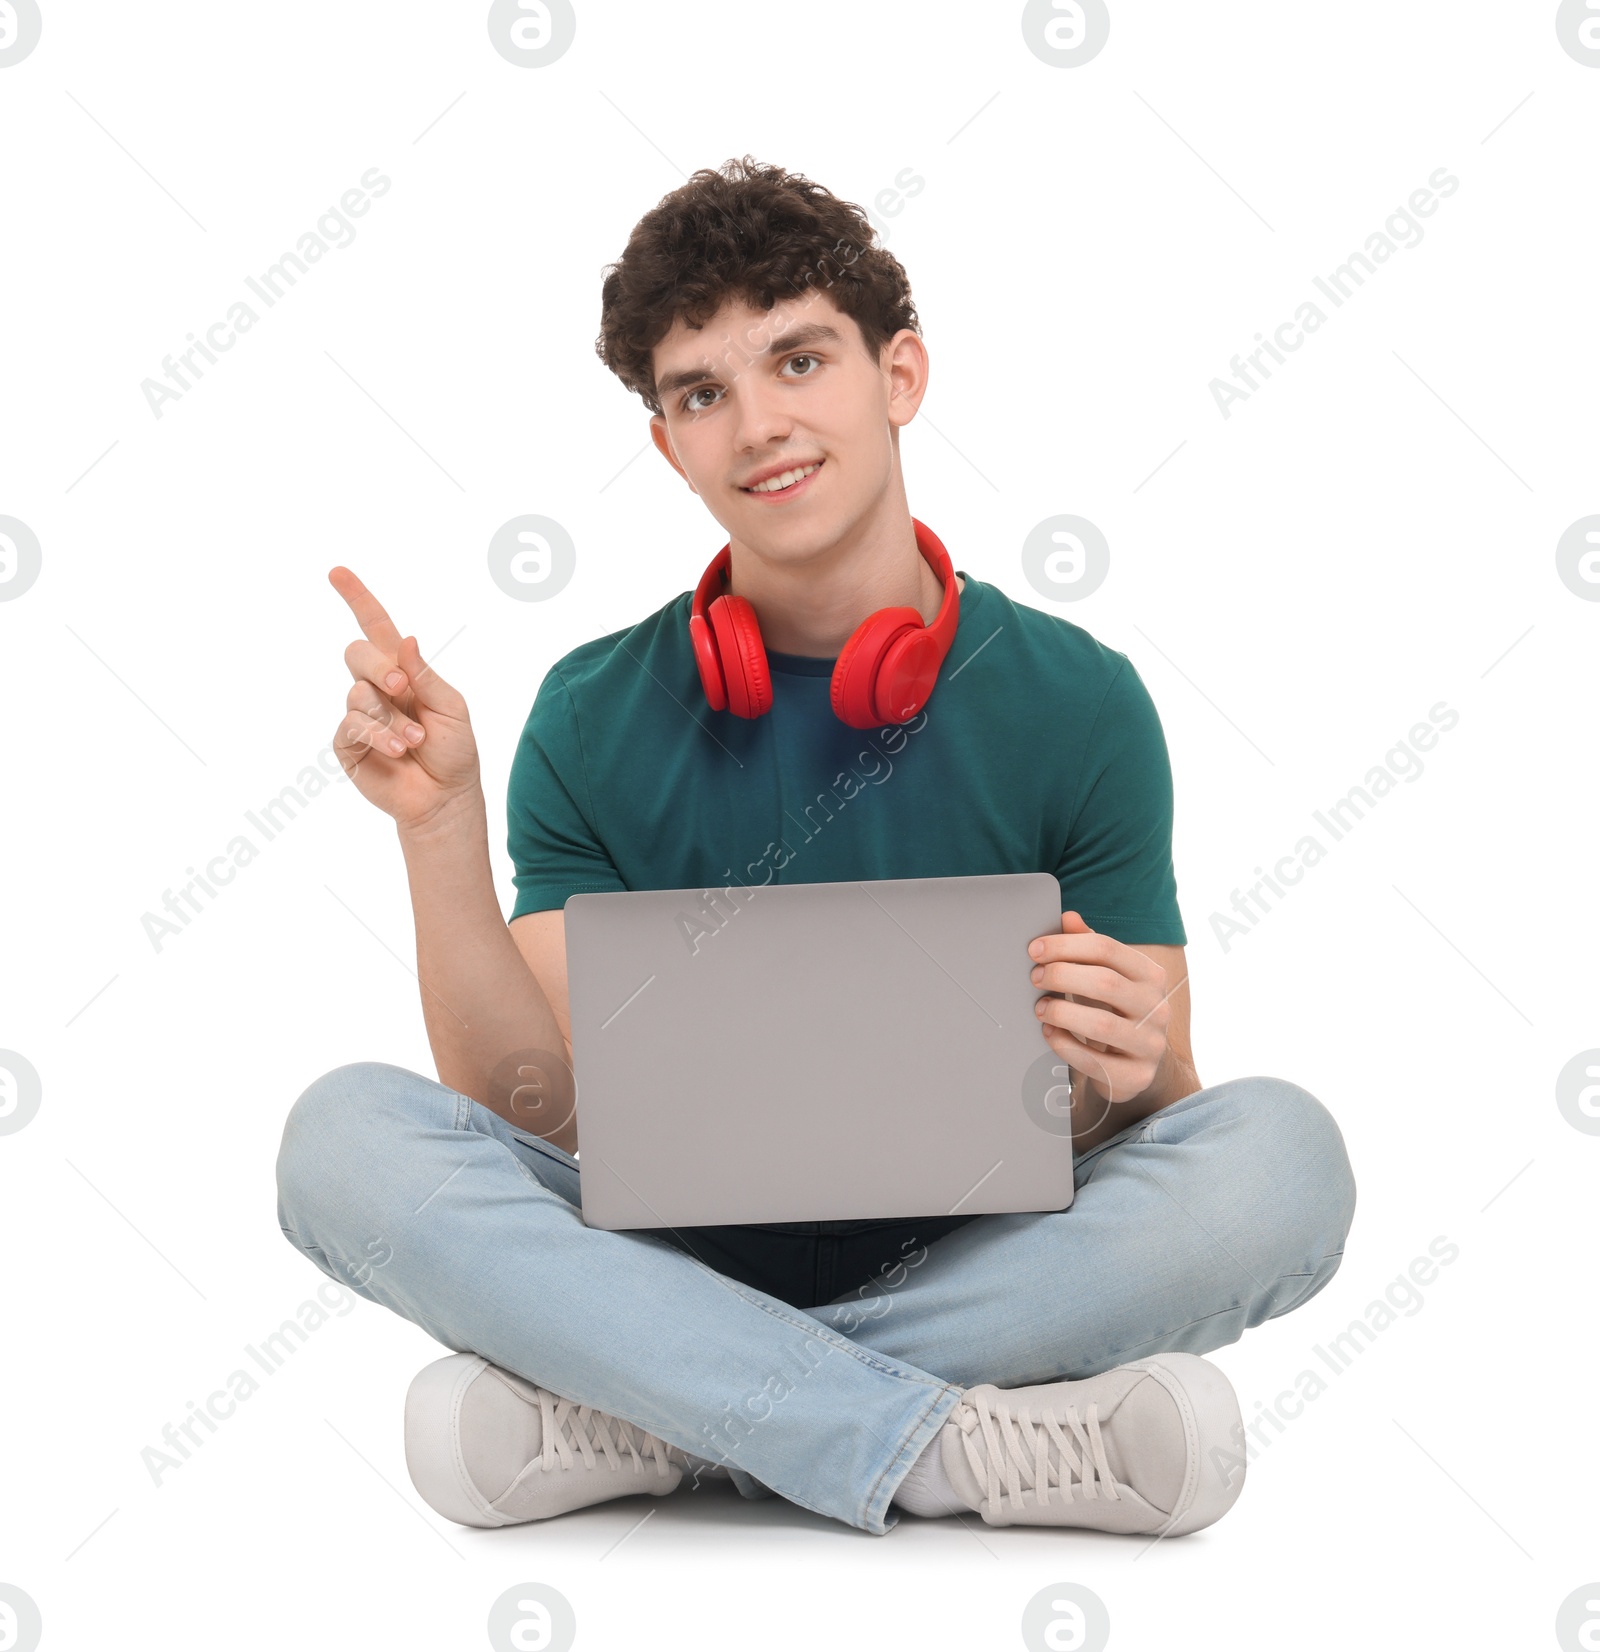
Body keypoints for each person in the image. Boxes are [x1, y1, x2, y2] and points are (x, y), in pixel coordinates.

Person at [275, 156, 1356, 1539]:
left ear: (899, 375)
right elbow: (538, 1107)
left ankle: (658, 1413)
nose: (759, 425)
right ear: (668, 443)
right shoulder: (591, 710)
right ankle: (943, 1445)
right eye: (703, 392)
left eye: (799, 360)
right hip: (655, 1244)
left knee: (1282, 1160)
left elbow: (1151, 1118)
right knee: (343, 1140)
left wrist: (1143, 1063)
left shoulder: (1079, 699)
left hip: (984, 1247)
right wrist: (438, 829)